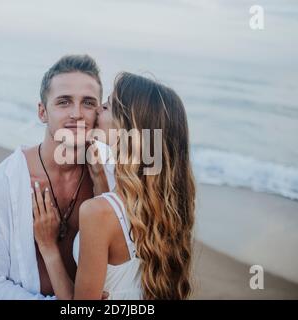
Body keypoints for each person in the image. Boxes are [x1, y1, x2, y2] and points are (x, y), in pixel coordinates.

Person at [33, 72, 196, 299]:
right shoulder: (169, 211)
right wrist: (100, 181)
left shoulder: (97, 213)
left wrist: (48, 247)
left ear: (127, 129)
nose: (97, 108)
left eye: (108, 106)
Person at [0, 54, 107, 299]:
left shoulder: (113, 178)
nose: (77, 113)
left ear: (99, 112)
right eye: (64, 102)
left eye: (88, 103)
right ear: (42, 112)